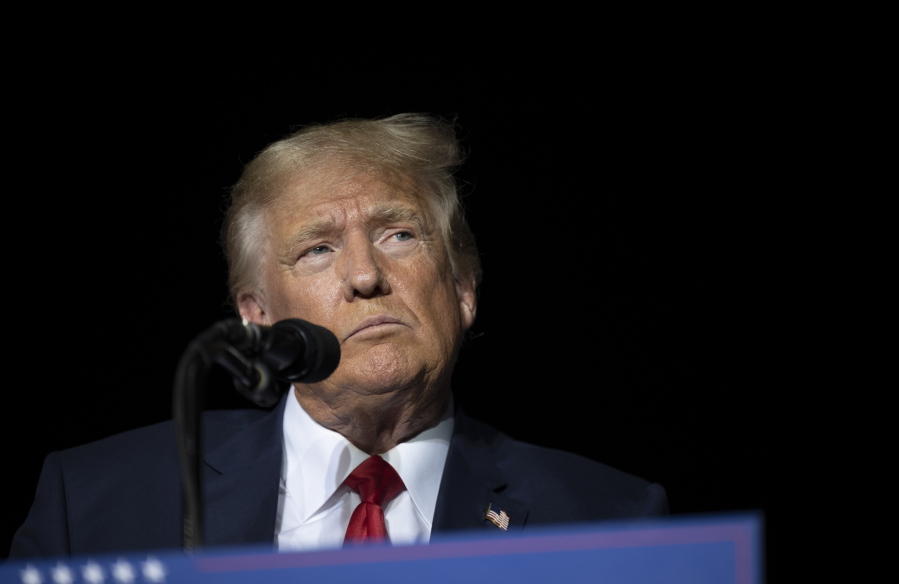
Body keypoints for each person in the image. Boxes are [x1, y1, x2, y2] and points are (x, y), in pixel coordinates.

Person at [9, 113, 668, 559]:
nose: (363, 275)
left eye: (399, 234)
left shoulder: (610, 521)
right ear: (256, 316)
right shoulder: (95, 502)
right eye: (318, 249)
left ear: (463, 289)